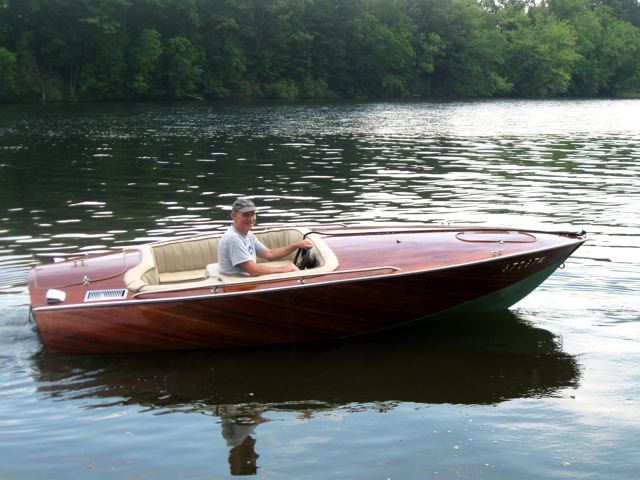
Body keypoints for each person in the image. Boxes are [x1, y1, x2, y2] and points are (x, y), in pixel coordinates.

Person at [218, 197, 314, 276]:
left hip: (244, 280)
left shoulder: (247, 234)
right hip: (237, 285)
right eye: (246, 215)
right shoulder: (234, 238)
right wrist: (285, 269)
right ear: (234, 216)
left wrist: (296, 245)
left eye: (253, 214)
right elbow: (254, 271)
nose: (251, 219)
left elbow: (269, 254)